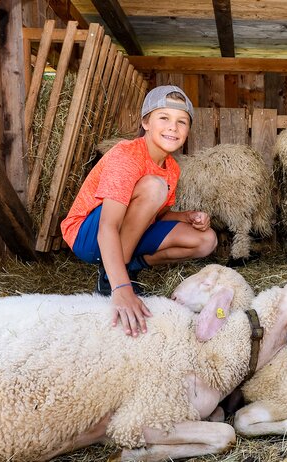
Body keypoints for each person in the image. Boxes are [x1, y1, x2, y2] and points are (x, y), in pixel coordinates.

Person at [61, 85, 217, 338]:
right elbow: (108, 227)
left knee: (206, 240)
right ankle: (111, 278)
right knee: (155, 185)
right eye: (164, 118)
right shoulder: (126, 155)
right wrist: (122, 289)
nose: (173, 128)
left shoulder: (171, 168)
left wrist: (185, 216)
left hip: (124, 236)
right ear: (146, 122)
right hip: (87, 236)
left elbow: (155, 216)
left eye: (182, 122)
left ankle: (130, 265)